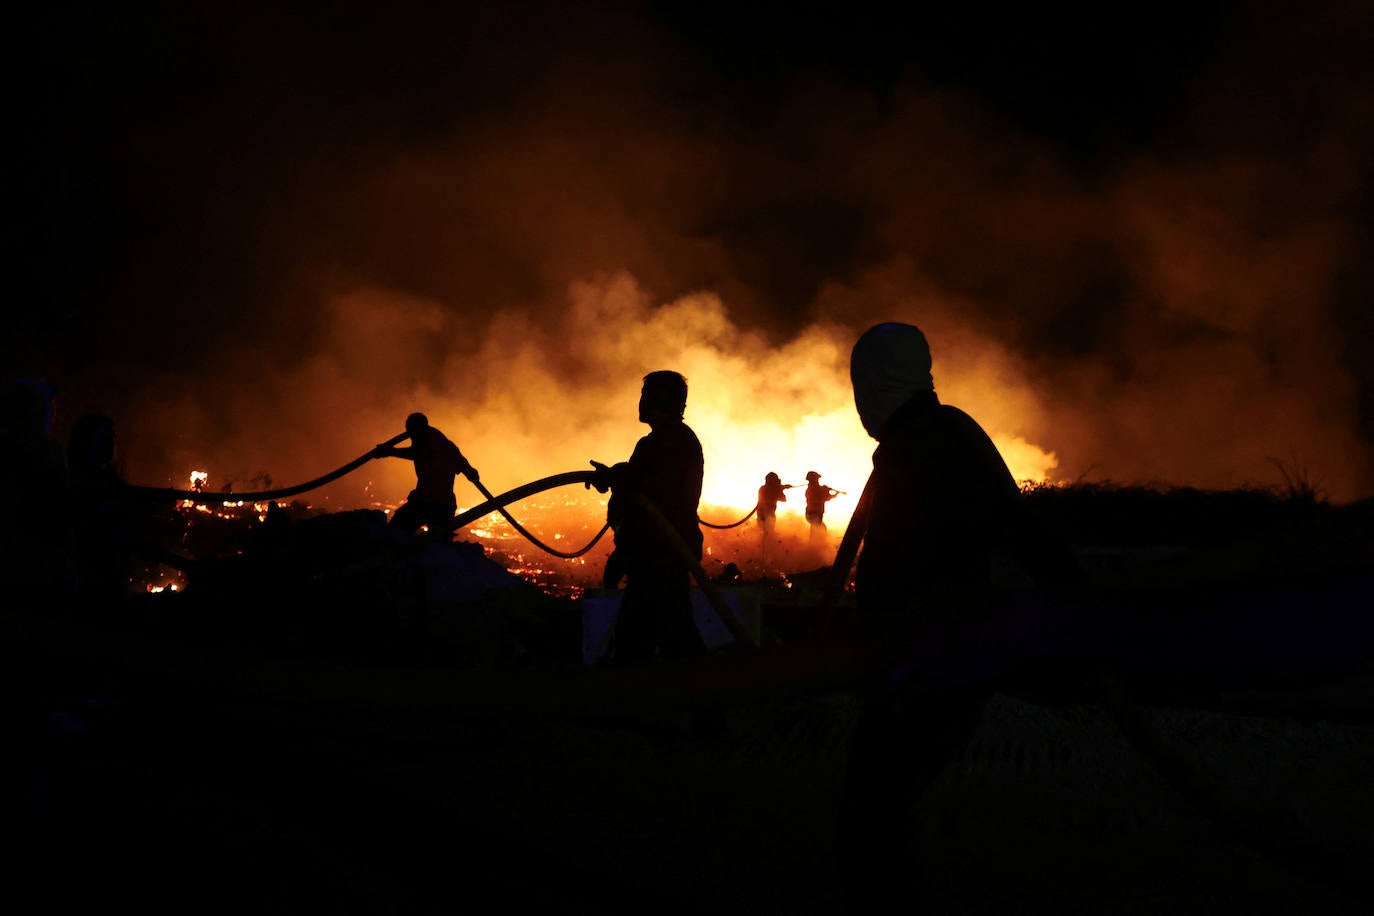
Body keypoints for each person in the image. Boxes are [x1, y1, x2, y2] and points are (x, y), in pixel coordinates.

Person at [834, 321, 1083, 911]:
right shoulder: (926, 440)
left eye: (860, 386)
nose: (859, 404)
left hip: (931, 658)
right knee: (887, 807)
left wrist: (1081, 616)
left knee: (881, 810)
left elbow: (1021, 533)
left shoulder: (933, 442)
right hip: (916, 655)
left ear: (878, 384)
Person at [588, 371, 707, 663]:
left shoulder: (673, 442)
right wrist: (615, 476)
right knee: (666, 630)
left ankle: (694, 682)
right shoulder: (661, 441)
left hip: (662, 553)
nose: (640, 402)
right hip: (654, 552)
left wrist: (618, 476)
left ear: (662, 400)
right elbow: (640, 483)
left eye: (646, 395)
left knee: (646, 636)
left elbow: (656, 490)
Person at [375, 412, 480, 536]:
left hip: (425, 502)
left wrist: (389, 451)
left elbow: (417, 452)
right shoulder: (448, 446)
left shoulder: (429, 443)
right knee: (438, 541)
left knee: (395, 532)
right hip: (444, 505)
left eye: (411, 435)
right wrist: (471, 473)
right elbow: (468, 469)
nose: (411, 439)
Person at [803, 470, 840, 537]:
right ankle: (815, 543)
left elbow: (825, 497)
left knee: (818, 529)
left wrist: (828, 491)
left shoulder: (814, 489)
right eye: (816, 479)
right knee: (818, 530)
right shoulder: (814, 489)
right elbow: (825, 498)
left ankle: (814, 542)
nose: (818, 480)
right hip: (814, 514)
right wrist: (833, 494)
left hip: (812, 514)